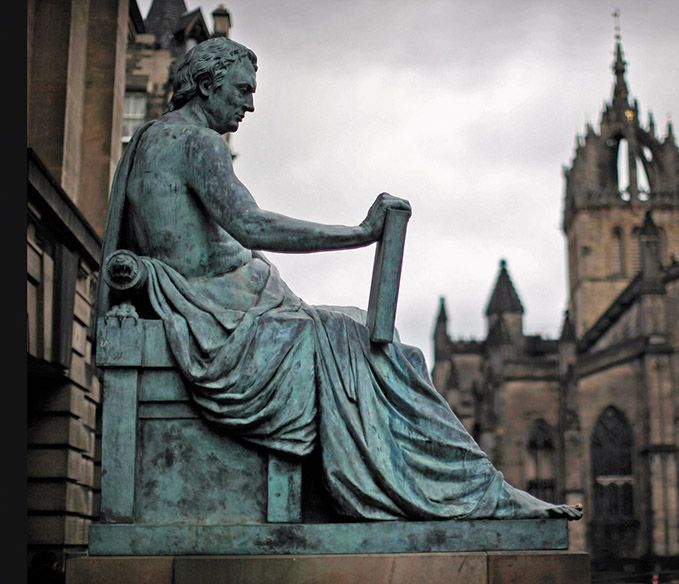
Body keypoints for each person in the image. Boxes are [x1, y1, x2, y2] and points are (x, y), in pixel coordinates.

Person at [101, 37, 581, 522]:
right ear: (206, 86)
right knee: (381, 352)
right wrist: (360, 233)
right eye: (242, 90)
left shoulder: (147, 140)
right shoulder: (197, 142)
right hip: (221, 320)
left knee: (370, 337)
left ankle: (475, 489)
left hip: (218, 308)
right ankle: (476, 494)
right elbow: (253, 225)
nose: (250, 103)